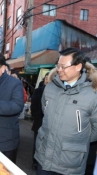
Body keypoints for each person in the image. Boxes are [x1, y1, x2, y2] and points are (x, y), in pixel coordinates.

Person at [35, 47, 97, 175]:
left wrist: (76, 140)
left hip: (71, 163)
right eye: (58, 66)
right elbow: (44, 112)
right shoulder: (50, 88)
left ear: (78, 66)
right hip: (44, 157)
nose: (59, 70)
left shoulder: (92, 94)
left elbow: (95, 130)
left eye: (63, 66)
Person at [30, 72, 49, 170]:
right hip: (39, 122)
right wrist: (38, 118)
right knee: (37, 143)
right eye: (46, 78)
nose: (47, 80)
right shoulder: (38, 91)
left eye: (49, 78)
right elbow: (34, 107)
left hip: (49, 125)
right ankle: (35, 162)